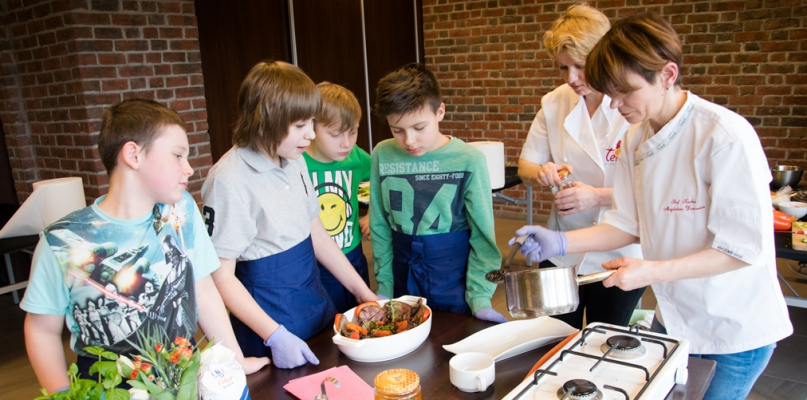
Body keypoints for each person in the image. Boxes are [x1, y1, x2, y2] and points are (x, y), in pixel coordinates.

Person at [513, 12, 793, 400]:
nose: (615, 103)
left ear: (667, 74)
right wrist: (560, 243)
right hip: (675, 316)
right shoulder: (635, 138)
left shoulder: (723, 136)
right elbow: (626, 223)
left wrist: (652, 270)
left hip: (733, 327)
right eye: (610, 92)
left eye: (625, 92)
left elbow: (742, 249)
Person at [21, 99, 269, 393]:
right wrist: (62, 395)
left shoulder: (182, 211)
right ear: (133, 155)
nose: (188, 168)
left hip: (183, 378)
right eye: (178, 155)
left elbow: (203, 289)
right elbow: (41, 330)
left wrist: (234, 359)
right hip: (107, 387)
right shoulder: (61, 240)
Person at [202, 61, 380, 369]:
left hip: (313, 304)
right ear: (266, 119)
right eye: (300, 125)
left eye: (311, 122)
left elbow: (318, 236)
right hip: (268, 324)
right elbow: (221, 278)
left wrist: (363, 292)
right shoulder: (228, 180)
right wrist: (275, 336)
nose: (310, 134)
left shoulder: (293, 159)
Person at [517, 3, 644, 330]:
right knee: (555, 336)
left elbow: (653, 192)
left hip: (619, 247)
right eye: (562, 68)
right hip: (561, 244)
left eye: (580, 66)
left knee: (607, 339)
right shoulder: (555, 102)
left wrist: (597, 196)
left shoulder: (634, 106)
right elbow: (525, 167)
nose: (571, 78)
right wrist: (543, 172)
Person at [369, 63, 505, 323]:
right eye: (397, 130)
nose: (409, 140)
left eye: (419, 128)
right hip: (402, 268)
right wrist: (384, 286)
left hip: (452, 272)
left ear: (439, 111)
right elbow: (379, 224)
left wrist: (480, 296)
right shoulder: (382, 154)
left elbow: (483, 235)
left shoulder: (469, 159)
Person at [303, 82, 372, 313]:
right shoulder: (298, 162)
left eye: (353, 131)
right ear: (311, 127)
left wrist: (371, 214)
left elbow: (380, 182)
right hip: (313, 264)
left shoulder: (356, 157)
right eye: (335, 134)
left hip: (352, 255)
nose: (346, 142)